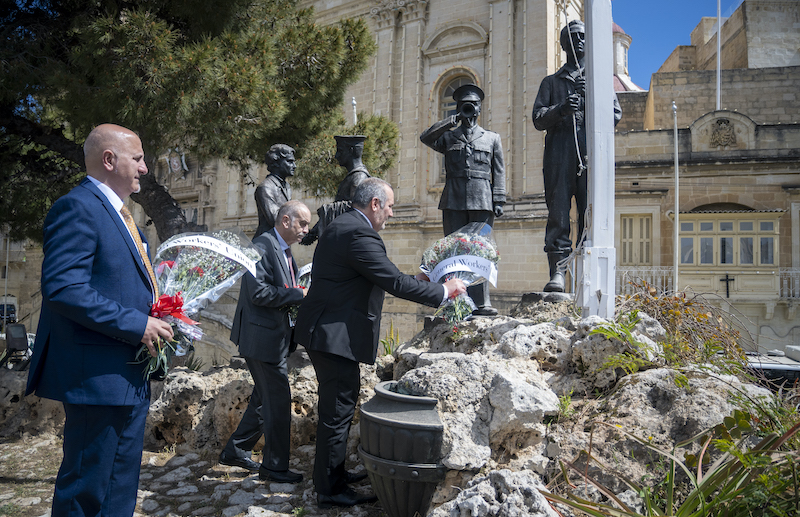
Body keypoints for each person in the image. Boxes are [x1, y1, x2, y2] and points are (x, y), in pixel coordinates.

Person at [25, 123, 175, 517]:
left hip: (128, 375)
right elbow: (63, 288)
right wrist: (137, 324)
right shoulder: (78, 207)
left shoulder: (126, 218)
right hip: (96, 377)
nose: (145, 168)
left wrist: (160, 312)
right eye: (138, 158)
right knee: (86, 491)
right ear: (109, 160)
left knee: (119, 487)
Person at [294, 178, 466, 508]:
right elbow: (392, 282)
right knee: (337, 412)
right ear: (374, 204)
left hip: (329, 334)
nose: (390, 213)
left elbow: (379, 275)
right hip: (332, 337)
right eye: (388, 206)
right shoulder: (358, 232)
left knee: (338, 408)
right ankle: (330, 490)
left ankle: (334, 476)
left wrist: (416, 281)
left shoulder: (347, 226)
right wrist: (445, 291)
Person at [219, 200, 311, 483]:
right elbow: (259, 293)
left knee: (262, 398)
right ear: (285, 220)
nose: (306, 230)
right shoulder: (262, 246)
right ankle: (274, 467)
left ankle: (236, 450)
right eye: (302, 223)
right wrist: (299, 294)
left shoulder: (283, 249)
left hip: (274, 338)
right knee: (279, 401)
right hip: (262, 340)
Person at [533, 20, 622, 292]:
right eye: (572, 38)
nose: (579, 41)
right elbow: (538, 119)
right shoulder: (550, 82)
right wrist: (561, 108)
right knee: (558, 214)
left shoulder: (599, 80)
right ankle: (558, 272)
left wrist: (590, 100)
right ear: (563, 45)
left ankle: (587, 276)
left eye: (583, 36)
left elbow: (615, 115)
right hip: (559, 155)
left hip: (589, 154)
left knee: (589, 214)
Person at [420, 83, 505, 316]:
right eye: (464, 105)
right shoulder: (448, 137)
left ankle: (482, 302)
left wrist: (499, 200)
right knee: (454, 252)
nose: (469, 108)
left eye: (473, 105)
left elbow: (499, 171)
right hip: (454, 199)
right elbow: (425, 137)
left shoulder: (492, 138)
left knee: (481, 251)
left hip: (483, 199)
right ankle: (457, 303)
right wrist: (451, 120)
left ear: (479, 109)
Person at [301, 135, 372, 245]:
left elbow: (353, 211)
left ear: (351, 150)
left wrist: (328, 209)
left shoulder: (358, 179)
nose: (336, 156)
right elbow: (337, 209)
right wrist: (313, 233)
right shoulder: (351, 178)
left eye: (340, 151)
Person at [254, 144, 295, 237]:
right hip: (267, 243)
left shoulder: (286, 186)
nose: (294, 166)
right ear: (276, 163)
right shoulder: (265, 187)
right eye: (289, 161)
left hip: (281, 240)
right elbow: (276, 219)